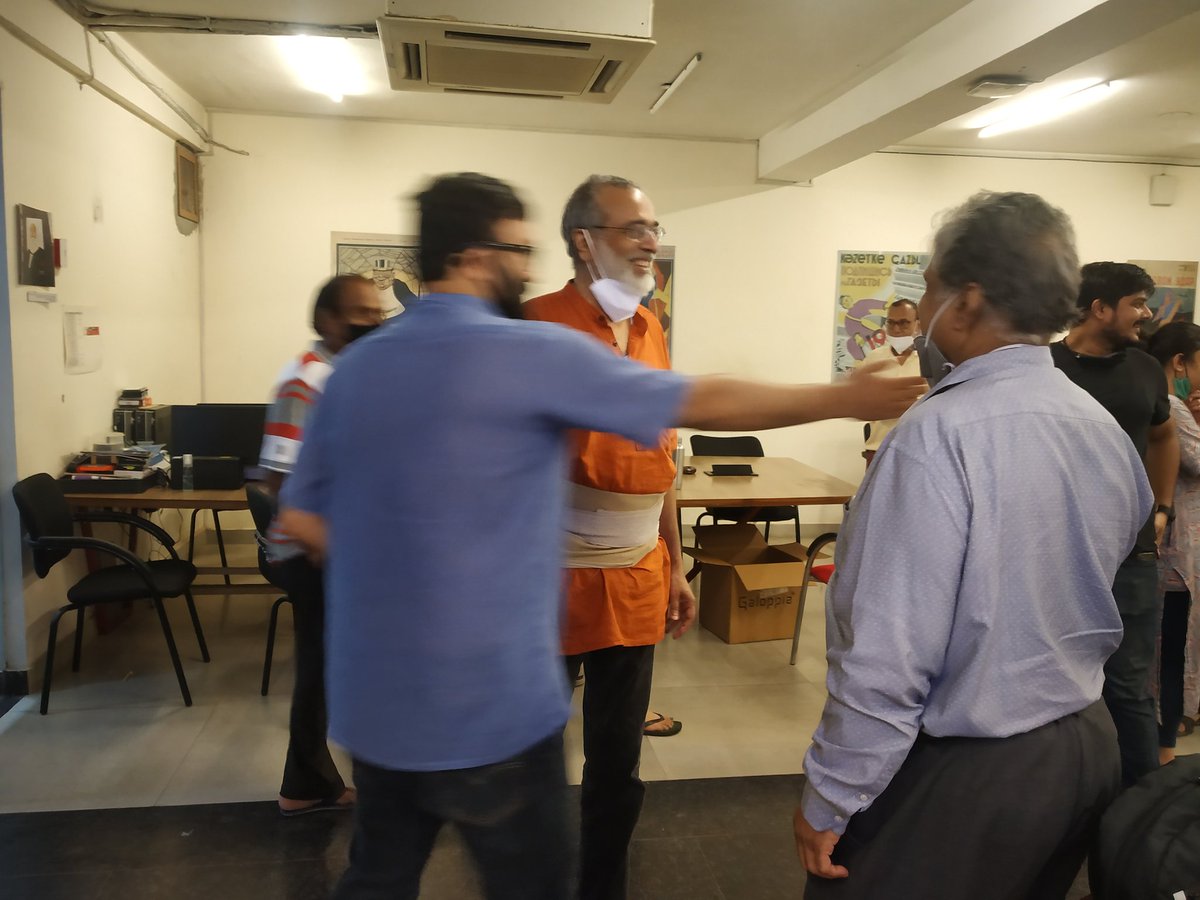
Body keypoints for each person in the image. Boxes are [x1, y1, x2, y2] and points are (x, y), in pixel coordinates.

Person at [276, 171, 925, 899]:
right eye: (519, 251)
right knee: (532, 880)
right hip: (493, 700)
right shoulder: (528, 346)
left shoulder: (357, 367)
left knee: (378, 877)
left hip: (383, 706)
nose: (527, 267)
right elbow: (700, 400)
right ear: (477, 256)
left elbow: (301, 519)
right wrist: (842, 397)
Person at [794, 191, 1152, 899]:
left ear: (966, 302)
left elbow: (887, 653)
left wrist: (833, 792)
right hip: (1083, 747)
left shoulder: (936, 436)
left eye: (929, 289)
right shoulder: (1097, 425)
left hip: (971, 770)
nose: (920, 310)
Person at [523, 174, 690, 900]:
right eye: (633, 228)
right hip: (548, 580)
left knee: (618, 762)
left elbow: (663, 454)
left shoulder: (651, 327)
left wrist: (676, 562)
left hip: (638, 572)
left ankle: (603, 885)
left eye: (653, 228)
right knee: (531, 754)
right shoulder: (535, 325)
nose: (649, 242)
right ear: (584, 241)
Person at [257, 273, 384, 816]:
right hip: (313, 552)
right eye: (361, 312)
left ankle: (310, 781)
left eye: (378, 312)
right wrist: (321, 545)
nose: (374, 322)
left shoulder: (349, 373)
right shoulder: (305, 381)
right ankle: (308, 784)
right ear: (327, 320)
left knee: (331, 664)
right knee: (324, 666)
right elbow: (279, 478)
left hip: (342, 547)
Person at [1051, 261, 1180, 787]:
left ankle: (1141, 809)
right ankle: (1061, 798)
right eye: (1137, 303)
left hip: (1131, 555)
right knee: (1053, 684)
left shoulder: (1145, 368)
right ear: (1100, 308)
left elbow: (1164, 436)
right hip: (1054, 553)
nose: (1146, 314)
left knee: (1128, 688)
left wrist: (1163, 506)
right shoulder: (1044, 367)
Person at [1144, 321, 1200, 765]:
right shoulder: (1171, 407)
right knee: (1171, 651)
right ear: (1180, 363)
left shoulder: (1155, 401)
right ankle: (1166, 737)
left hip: (1167, 551)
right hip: (1176, 555)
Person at [856, 298, 923, 464]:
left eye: (904, 323)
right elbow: (858, 403)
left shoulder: (928, 360)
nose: (896, 329)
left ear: (918, 325)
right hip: (878, 450)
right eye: (891, 323)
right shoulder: (874, 359)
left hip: (917, 452)